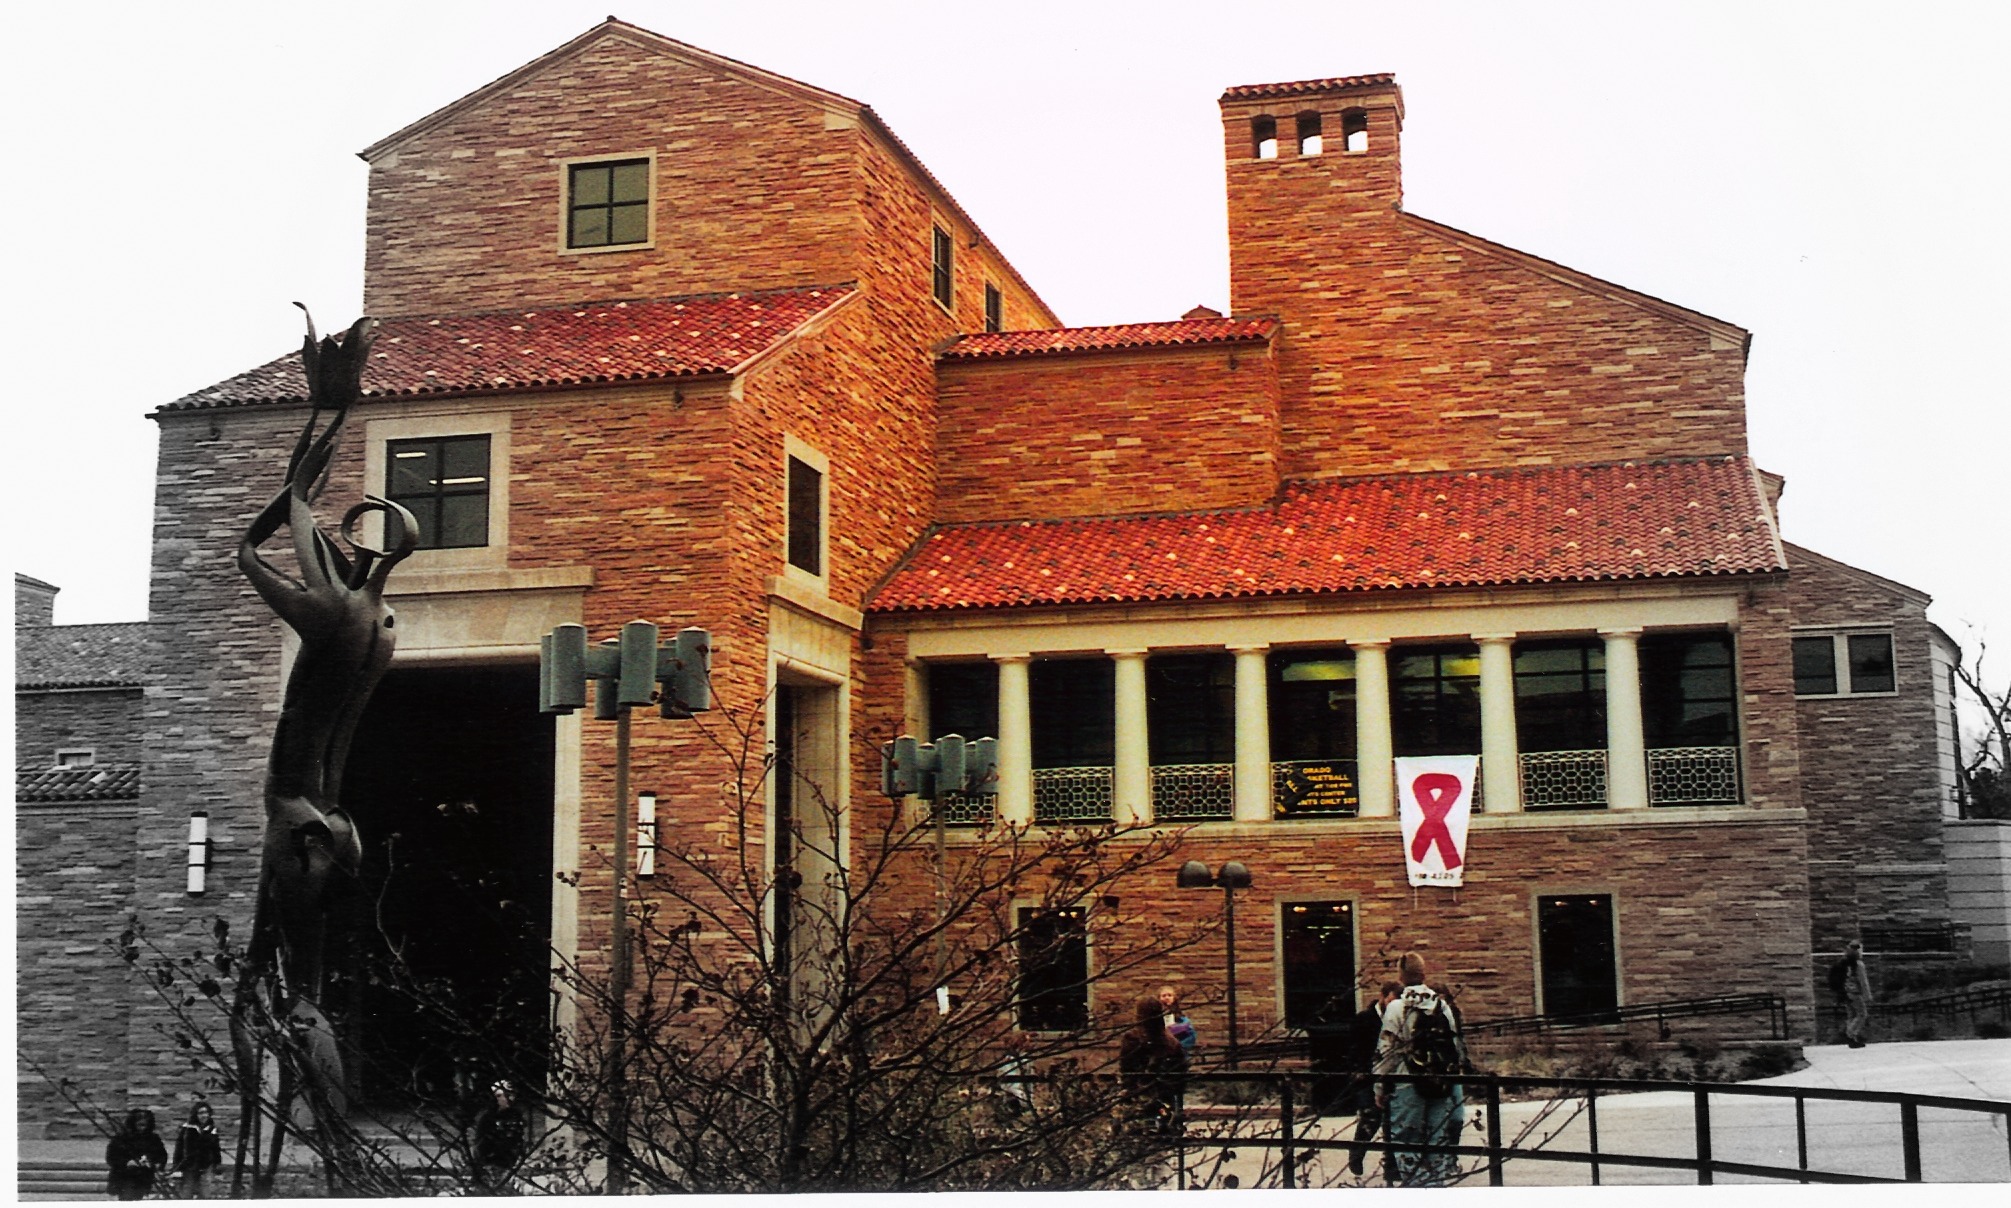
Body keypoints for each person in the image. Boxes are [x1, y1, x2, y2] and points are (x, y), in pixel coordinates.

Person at [1373, 953, 1467, 1187]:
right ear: (1424, 974)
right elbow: (1454, 1046)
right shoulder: (1441, 1005)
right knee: (1437, 1139)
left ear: (1401, 976)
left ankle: (1417, 1187)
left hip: (1408, 1081)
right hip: (1439, 1081)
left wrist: (1379, 1086)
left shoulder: (1397, 1007)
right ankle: (1436, 1186)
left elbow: (1387, 1050)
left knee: (1407, 1139)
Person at [1346, 981, 1403, 1178]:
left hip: (1389, 1073)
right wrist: (1359, 1070)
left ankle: (1392, 1165)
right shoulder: (1365, 1019)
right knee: (1371, 1116)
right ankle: (1357, 1152)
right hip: (1367, 1074)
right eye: (1391, 1000)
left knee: (1393, 1120)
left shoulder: (1398, 1018)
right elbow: (1354, 1048)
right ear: (1383, 996)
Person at [1119, 994, 1187, 1132]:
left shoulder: (1132, 1039)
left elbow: (1126, 1068)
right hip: (1166, 1095)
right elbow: (1181, 1070)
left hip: (1139, 1094)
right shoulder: (1171, 1042)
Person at [472, 1079, 529, 1192]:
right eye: (504, 1095)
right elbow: (480, 1143)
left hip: (509, 1161)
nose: (509, 1099)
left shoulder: (516, 1115)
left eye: (512, 1095)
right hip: (491, 1162)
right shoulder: (488, 1117)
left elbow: (519, 1136)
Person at [106, 1108, 168, 1201]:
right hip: (125, 1177)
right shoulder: (121, 1138)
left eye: (145, 1125)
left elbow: (161, 1155)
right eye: (140, 1125)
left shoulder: (153, 1138)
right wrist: (127, 1162)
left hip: (144, 1177)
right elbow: (111, 1157)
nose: (142, 1128)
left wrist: (153, 1162)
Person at [172, 1102, 223, 1198]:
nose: (204, 1115)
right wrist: (176, 1166)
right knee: (187, 1192)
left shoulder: (212, 1129)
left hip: (206, 1165)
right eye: (201, 1113)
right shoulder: (188, 1129)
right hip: (189, 1165)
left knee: (205, 1192)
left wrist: (217, 1164)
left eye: (206, 1112)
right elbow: (179, 1148)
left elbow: (216, 1149)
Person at [1834, 940, 1875, 1048]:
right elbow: (1863, 981)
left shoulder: (1844, 963)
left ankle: (1852, 1038)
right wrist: (1867, 995)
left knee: (1851, 1015)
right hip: (1855, 992)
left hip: (1845, 992)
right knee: (1862, 1014)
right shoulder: (1858, 964)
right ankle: (1851, 1034)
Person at [1158, 986, 1197, 1057]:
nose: (1167, 998)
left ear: (1174, 998)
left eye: (1169, 995)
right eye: (1164, 996)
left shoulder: (1182, 1018)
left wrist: (1178, 1046)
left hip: (1178, 1053)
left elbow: (1191, 1035)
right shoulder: (1155, 1016)